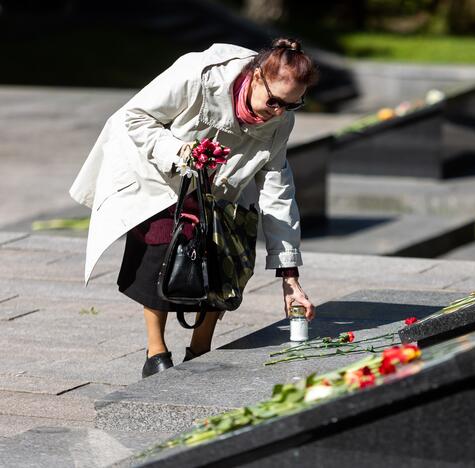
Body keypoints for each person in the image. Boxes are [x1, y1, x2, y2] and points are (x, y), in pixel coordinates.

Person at [69, 38, 317, 378]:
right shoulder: (198, 74)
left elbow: (278, 191)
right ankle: (155, 352)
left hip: (223, 187)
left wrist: (289, 275)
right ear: (256, 76)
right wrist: (182, 151)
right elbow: (136, 117)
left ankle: (200, 348)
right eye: (273, 101)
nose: (276, 113)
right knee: (160, 251)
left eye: (291, 106)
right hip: (159, 172)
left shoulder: (279, 123)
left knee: (228, 259)